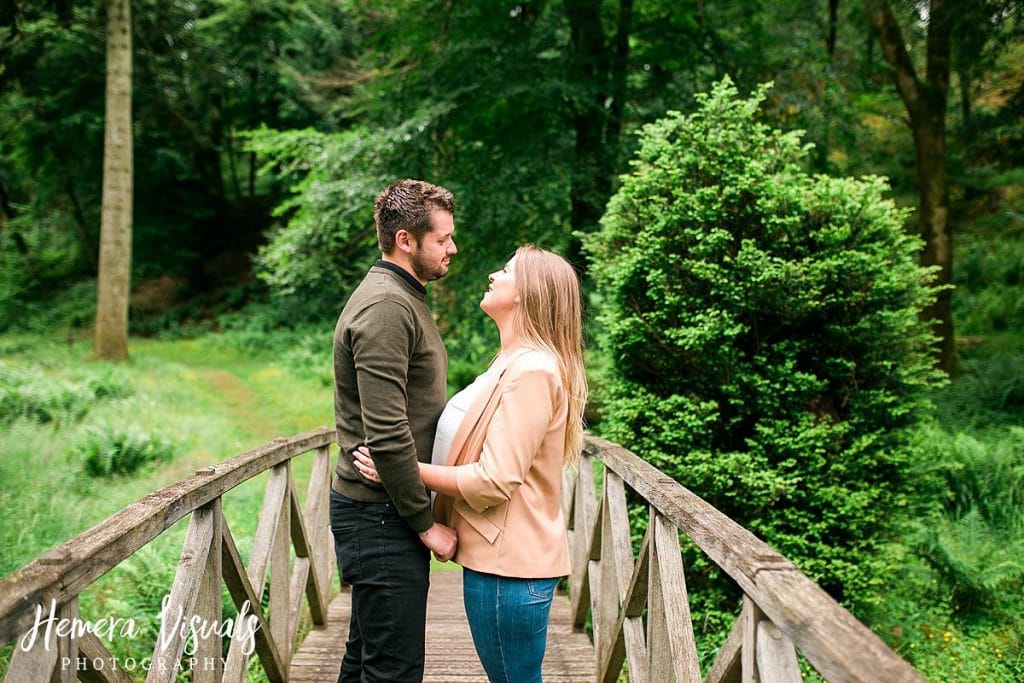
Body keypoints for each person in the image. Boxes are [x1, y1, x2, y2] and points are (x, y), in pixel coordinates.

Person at [353, 245, 587, 683]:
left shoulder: (532, 371)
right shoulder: (512, 362)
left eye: (507, 270)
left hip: (510, 569)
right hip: (500, 564)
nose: (494, 274)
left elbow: (494, 479)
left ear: (527, 294)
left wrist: (400, 470)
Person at [330, 178, 460, 683]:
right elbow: (385, 433)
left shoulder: (401, 298)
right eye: (442, 238)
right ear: (405, 240)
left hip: (383, 512)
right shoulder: (387, 308)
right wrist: (425, 525)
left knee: (367, 661)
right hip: (381, 518)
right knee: (394, 672)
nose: (452, 247)